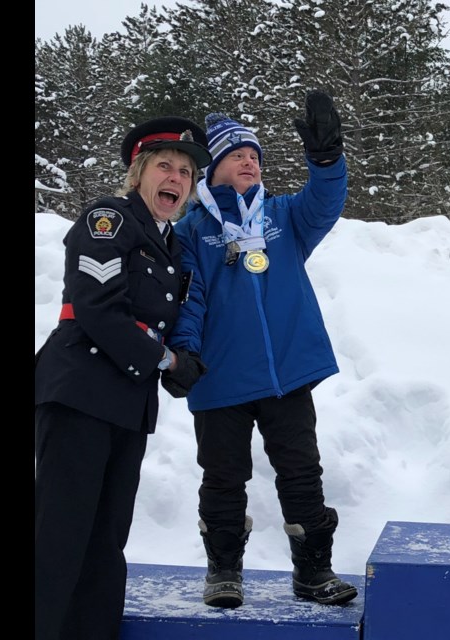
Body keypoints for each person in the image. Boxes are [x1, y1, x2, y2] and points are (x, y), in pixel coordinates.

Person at [165, 90, 357, 608]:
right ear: (212, 169)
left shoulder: (285, 216)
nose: (248, 160)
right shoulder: (192, 230)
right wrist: (183, 353)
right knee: (223, 478)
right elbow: (188, 300)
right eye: (235, 154)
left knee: (302, 474)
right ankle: (224, 571)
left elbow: (326, 199)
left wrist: (325, 160)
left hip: (287, 377)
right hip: (220, 379)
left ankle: (313, 572)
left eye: (254, 154)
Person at [34, 117, 212, 639]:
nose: (176, 178)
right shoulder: (108, 220)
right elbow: (97, 309)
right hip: (79, 393)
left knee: (106, 540)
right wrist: (167, 363)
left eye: (185, 171)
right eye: (164, 166)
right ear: (138, 174)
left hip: (127, 407)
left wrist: (185, 360)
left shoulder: (173, 247)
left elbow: (173, 321)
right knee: (59, 536)